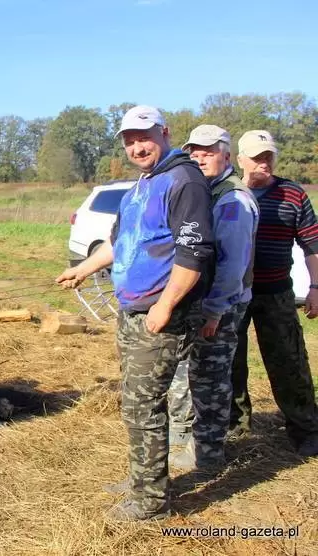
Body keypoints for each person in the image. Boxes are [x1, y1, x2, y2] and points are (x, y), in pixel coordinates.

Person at [57, 105, 214, 521]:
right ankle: (143, 480)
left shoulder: (184, 181)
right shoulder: (140, 186)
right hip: (132, 312)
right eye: (129, 141)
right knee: (134, 403)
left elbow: (194, 253)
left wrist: (165, 306)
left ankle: (150, 504)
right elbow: (118, 244)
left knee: (144, 406)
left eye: (144, 137)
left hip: (160, 314)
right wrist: (82, 269)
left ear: (164, 133)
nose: (137, 147)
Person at [166, 125, 259, 471]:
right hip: (205, 302)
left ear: (227, 155)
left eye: (208, 152)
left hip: (221, 304)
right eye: (195, 152)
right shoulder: (208, 191)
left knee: (210, 380)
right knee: (195, 372)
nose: (200, 158)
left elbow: (233, 265)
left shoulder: (233, 200)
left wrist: (215, 310)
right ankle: (190, 441)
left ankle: (208, 455)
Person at [228, 130, 318, 457]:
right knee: (230, 361)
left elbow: (312, 244)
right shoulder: (228, 193)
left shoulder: (292, 194)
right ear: (240, 159)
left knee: (289, 360)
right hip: (233, 294)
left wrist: (315, 287)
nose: (264, 162)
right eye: (256, 157)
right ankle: (235, 428)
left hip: (276, 292)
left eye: (268, 156)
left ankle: (305, 428)